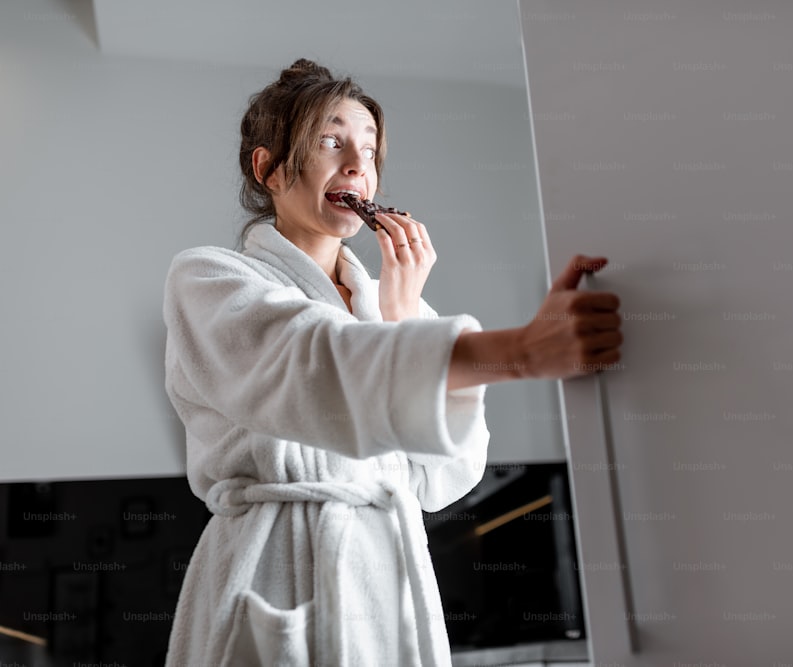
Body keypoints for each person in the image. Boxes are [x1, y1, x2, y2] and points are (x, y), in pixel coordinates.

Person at [161, 58, 622, 666]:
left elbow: (444, 481)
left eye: (370, 150)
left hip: (389, 579)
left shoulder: (392, 307)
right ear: (268, 168)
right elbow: (310, 360)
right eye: (331, 142)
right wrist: (520, 351)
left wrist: (405, 312)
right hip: (274, 565)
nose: (358, 164)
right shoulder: (209, 278)